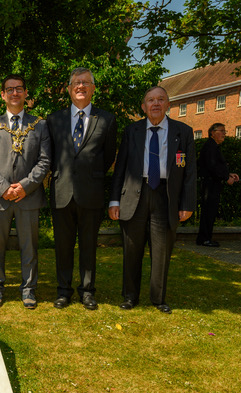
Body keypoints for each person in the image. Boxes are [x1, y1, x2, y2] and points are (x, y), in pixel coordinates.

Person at [109, 86, 196, 314]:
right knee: (131, 249)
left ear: (168, 104)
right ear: (143, 106)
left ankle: (158, 298)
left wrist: (187, 204)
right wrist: (114, 200)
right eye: (150, 100)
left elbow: (190, 172)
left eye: (160, 99)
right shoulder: (132, 131)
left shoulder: (183, 132)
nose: (155, 103)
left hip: (166, 197)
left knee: (162, 251)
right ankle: (130, 296)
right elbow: (120, 168)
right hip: (135, 194)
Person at [47, 67, 117, 310]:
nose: (81, 86)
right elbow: (50, 155)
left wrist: (91, 173)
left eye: (86, 82)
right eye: (76, 82)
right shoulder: (54, 120)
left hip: (91, 192)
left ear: (93, 88)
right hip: (62, 191)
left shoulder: (106, 119)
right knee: (63, 246)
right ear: (69, 89)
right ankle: (63, 291)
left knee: (88, 246)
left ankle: (87, 291)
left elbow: (108, 156)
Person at [0, 74, 51, 309]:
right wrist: (4, 189)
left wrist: (25, 187)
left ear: (26, 93)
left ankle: (29, 289)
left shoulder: (39, 125)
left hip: (28, 197)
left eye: (19, 88)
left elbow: (44, 161)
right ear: (2, 95)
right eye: (9, 89)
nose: (14, 93)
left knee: (29, 247)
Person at [195, 123, 239, 247]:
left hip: (212, 183)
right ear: (212, 133)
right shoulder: (211, 147)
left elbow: (216, 167)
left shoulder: (213, 147)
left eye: (225, 131)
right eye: (222, 131)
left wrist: (228, 174)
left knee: (210, 211)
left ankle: (204, 238)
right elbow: (212, 166)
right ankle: (205, 239)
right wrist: (226, 178)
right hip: (210, 185)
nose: (224, 133)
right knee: (209, 211)